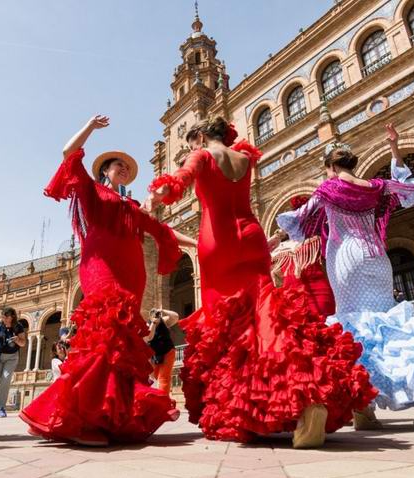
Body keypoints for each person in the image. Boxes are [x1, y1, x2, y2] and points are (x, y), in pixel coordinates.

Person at [146, 117, 376, 448]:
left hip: (218, 242)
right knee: (267, 315)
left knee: (227, 328)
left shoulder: (201, 155)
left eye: (190, 144)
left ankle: (249, 406)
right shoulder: (244, 157)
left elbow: (178, 182)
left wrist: (159, 194)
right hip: (251, 235)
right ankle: (308, 395)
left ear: (198, 138)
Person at [277, 123, 414, 430]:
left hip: (347, 259)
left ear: (332, 167)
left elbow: (302, 218)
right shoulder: (376, 188)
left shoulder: (328, 188)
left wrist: (275, 240)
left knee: (354, 329)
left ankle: (364, 409)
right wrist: (394, 147)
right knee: (390, 326)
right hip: (378, 258)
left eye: (327, 170)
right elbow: (406, 188)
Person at [19, 114, 196, 446]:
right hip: (101, 268)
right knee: (104, 334)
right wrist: (88, 126)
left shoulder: (131, 205)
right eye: (118, 166)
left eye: (126, 168)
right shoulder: (92, 191)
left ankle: (102, 414)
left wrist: (199, 243)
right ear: (104, 172)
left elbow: (162, 231)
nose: (123, 170)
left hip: (132, 275)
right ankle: (82, 417)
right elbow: (68, 154)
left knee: (120, 345)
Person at [269, 196, 336, 317]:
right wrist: (278, 235)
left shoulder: (317, 241)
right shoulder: (281, 249)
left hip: (320, 295)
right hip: (291, 302)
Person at [0, 307, 27, 418]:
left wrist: (17, 340)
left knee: (6, 380)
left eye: (6, 317)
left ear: (12, 317)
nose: (4, 319)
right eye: (3, 317)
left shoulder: (18, 326)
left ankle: (1, 408)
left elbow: (23, 343)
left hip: (12, 357)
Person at [144, 308, 179, 396]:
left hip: (168, 351)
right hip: (154, 355)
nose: (155, 315)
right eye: (153, 314)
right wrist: (153, 323)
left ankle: (164, 401)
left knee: (164, 378)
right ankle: (153, 398)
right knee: (152, 378)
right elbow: (149, 337)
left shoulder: (164, 321)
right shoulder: (148, 324)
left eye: (156, 314)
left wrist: (162, 310)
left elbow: (175, 316)